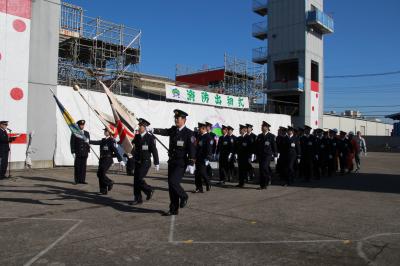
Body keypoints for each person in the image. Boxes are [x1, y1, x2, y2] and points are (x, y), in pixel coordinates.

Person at [152, 109, 196, 216]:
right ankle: (173, 209)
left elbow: (192, 149)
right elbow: (164, 131)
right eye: (175, 118)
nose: (176, 119)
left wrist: (191, 163)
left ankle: (184, 196)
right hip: (172, 161)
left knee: (173, 182)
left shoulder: (189, 133)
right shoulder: (173, 130)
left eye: (178, 118)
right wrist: (153, 129)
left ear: (184, 120)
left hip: (181, 163)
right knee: (171, 187)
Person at [130, 118, 159, 205]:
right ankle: (137, 198)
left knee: (139, 178)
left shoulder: (150, 138)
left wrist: (156, 162)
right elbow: (133, 146)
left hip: (145, 162)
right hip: (137, 161)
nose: (139, 128)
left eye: (141, 126)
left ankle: (149, 189)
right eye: (139, 126)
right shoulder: (137, 136)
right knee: (136, 181)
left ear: (145, 127)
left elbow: (154, 150)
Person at [90, 127, 124, 194]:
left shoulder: (111, 140)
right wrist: (88, 141)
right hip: (102, 159)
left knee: (101, 173)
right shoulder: (103, 140)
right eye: (105, 131)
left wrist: (120, 160)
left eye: (106, 131)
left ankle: (109, 182)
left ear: (110, 132)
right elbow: (96, 142)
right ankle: (103, 190)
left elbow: (115, 151)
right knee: (99, 174)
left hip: (108, 159)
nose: (105, 132)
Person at [255, 121, 278, 189]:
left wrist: (275, 155)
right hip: (260, 155)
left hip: (267, 155)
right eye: (262, 126)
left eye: (263, 126)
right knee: (261, 169)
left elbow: (274, 146)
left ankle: (267, 179)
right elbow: (257, 146)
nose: (262, 127)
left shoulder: (271, 136)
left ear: (267, 127)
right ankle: (262, 185)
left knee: (264, 167)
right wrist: (255, 154)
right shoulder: (259, 136)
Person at [193, 122, 212, 193]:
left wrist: (208, 158)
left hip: (204, 158)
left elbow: (209, 148)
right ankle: (198, 187)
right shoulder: (199, 136)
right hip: (197, 157)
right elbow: (196, 146)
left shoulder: (208, 137)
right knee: (197, 173)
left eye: (200, 128)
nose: (198, 130)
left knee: (202, 172)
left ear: (203, 128)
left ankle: (208, 183)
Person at [70, 120, 90, 184]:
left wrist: (88, 150)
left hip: (84, 152)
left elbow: (88, 143)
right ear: (78, 125)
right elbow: (72, 142)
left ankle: (82, 180)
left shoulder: (87, 133)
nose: (82, 126)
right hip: (78, 152)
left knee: (83, 167)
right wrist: (73, 151)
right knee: (77, 167)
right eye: (81, 125)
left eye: (83, 125)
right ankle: (77, 180)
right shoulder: (75, 132)